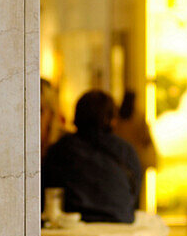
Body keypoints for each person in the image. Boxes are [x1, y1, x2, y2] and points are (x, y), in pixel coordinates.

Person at [42, 89, 142, 223]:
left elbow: (46, 192)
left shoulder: (61, 149)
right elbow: (134, 192)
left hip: (73, 225)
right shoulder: (126, 150)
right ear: (112, 119)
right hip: (119, 220)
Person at [114, 89, 158, 172]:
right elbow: (146, 138)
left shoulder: (116, 116)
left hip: (120, 158)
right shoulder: (139, 116)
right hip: (136, 158)